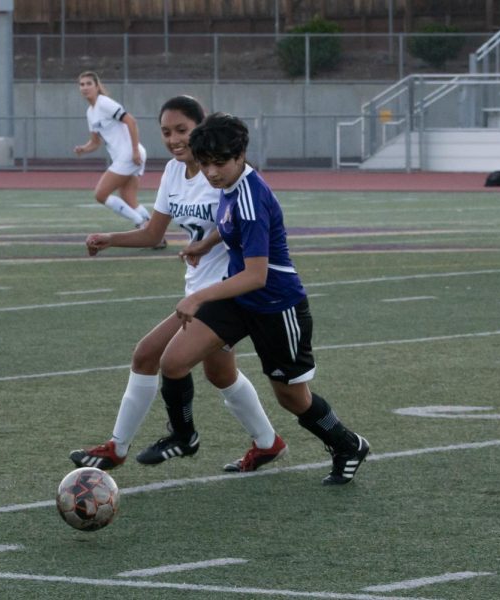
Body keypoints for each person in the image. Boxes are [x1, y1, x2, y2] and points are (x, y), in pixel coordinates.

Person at [142, 112, 370, 485]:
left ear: (240, 155)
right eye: (206, 164)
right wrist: (208, 241)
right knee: (174, 360)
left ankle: (347, 444)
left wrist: (198, 297)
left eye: (219, 163)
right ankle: (184, 437)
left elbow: (256, 274)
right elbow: (229, 222)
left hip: (277, 307)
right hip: (240, 299)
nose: (212, 172)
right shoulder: (230, 185)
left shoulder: (250, 195)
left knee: (292, 398)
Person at [69, 96, 287, 473]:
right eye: (166, 132)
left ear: (201, 130)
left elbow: (248, 218)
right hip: (197, 288)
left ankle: (124, 447)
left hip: (225, 290)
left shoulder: (222, 171)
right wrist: (110, 238)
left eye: (182, 130)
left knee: (149, 355)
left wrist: (211, 240)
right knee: (219, 373)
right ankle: (268, 443)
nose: (173, 139)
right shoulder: (173, 171)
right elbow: (154, 232)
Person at [73, 71, 154, 231]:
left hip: (129, 155)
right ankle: (154, 233)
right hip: (127, 156)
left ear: (97, 86)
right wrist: (83, 148)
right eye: (82, 84)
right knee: (128, 198)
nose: (85, 87)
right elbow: (95, 142)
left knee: (100, 194)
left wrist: (135, 150)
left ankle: (142, 225)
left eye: (89, 83)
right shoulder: (91, 112)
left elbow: (131, 121)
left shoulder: (104, 103)